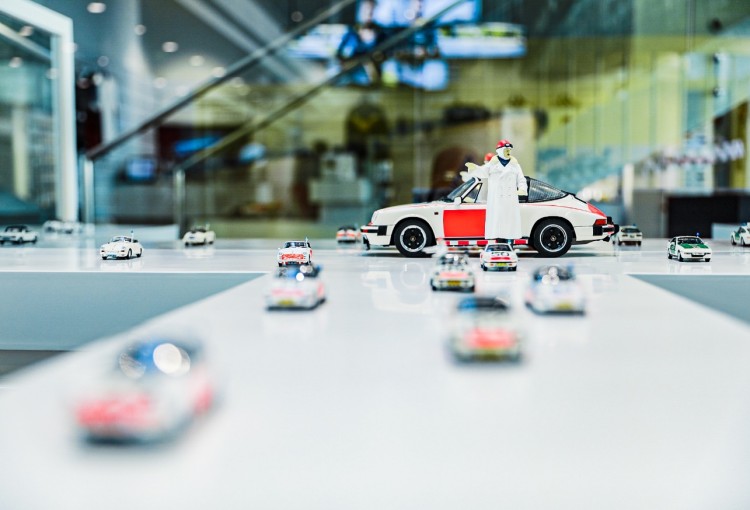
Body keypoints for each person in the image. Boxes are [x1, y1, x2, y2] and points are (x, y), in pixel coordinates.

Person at [463, 139, 528, 243]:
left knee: (509, 224)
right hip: (497, 200)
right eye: (506, 150)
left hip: (510, 200)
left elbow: (521, 179)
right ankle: (498, 244)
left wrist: (522, 189)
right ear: (499, 150)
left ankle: (510, 244)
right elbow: (482, 172)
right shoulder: (492, 164)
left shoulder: (515, 165)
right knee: (497, 224)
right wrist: (474, 168)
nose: (508, 152)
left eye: (509, 150)